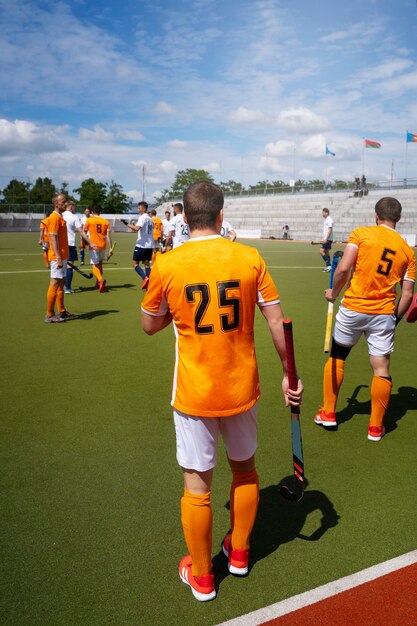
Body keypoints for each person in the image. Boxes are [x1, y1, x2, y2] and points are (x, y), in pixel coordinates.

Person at [141, 181, 303, 602]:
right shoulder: (249, 257)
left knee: (198, 486)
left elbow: (149, 324)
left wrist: (173, 316)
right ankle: (240, 553)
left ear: (184, 216)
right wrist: (290, 374)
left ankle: (202, 576)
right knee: (245, 471)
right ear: (220, 214)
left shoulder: (167, 264)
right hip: (241, 386)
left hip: (194, 392)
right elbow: (276, 319)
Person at [314, 197, 415, 441]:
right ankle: (376, 427)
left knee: (338, 356)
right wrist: (394, 319)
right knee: (381, 367)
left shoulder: (361, 234)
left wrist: (333, 293)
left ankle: (328, 412)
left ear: (376, 216)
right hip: (383, 314)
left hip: (353, 307)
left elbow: (342, 269)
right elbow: (408, 293)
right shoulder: (407, 250)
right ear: (397, 219)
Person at [44, 193, 76, 323]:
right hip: (57, 256)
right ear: (56, 204)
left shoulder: (60, 217)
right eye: (62, 201)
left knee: (61, 284)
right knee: (55, 283)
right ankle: (49, 315)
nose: (65, 203)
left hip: (63, 256)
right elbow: (52, 237)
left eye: (65, 201)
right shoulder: (54, 218)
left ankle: (62, 311)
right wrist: (57, 257)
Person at [62, 201, 91, 294]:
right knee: (69, 266)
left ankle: (60, 286)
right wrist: (90, 242)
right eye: (75, 207)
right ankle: (68, 288)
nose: (76, 209)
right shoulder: (74, 217)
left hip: (60, 244)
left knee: (61, 266)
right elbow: (81, 232)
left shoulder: (60, 215)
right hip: (70, 244)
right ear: (71, 207)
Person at [83, 207, 112, 293]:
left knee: (94, 265)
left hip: (93, 245)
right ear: (100, 212)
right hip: (103, 245)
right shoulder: (106, 221)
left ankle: (101, 280)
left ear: (92, 212)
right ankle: (98, 283)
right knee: (99, 264)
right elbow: (108, 236)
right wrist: (110, 248)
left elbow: (84, 232)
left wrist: (84, 242)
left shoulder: (89, 220)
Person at [126, 201, 154, 289]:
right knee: (147, 265)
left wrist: (127, 224)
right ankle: (148, 284)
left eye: (139, 208)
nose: (138, 209)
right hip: (149, 245)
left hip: (141, 245)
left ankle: (144, 278)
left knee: (135, 264)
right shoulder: (150, 219)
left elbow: (137, 229)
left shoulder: (143, 217)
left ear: (144, 209)